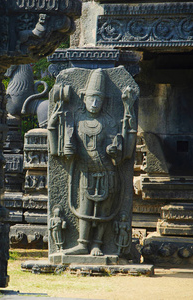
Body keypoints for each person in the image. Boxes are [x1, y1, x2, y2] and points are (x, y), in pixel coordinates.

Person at [49, 68, 136, 256]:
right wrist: (68, 148)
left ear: (104, 101)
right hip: (84, 172)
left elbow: (117, 144)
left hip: (107, 172)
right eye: (91, 99)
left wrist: (114, 149)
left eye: (99, 99)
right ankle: (82, 243)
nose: (95, 103)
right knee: (84, 208)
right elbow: (66, 146)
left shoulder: (109, 121)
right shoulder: (77, 120)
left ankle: (97, 244)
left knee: (103, 210)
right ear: (84, 98)